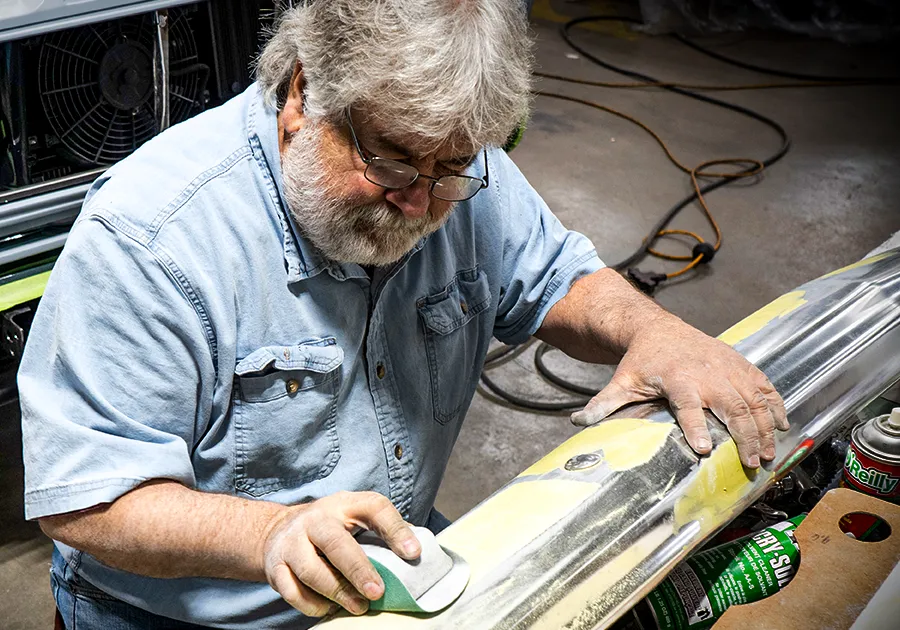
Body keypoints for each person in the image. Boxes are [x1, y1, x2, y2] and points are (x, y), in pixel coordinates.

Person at [19, 1, 787, 629]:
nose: (421, 202)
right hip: (190, 615)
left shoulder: (451, 163)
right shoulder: (152, 242)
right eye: (389, 161)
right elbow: (91, 500)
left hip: (395, 569)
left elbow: (554, 278)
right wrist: (270, 534)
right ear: (300, 94)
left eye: (450, 169)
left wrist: (653, 330)